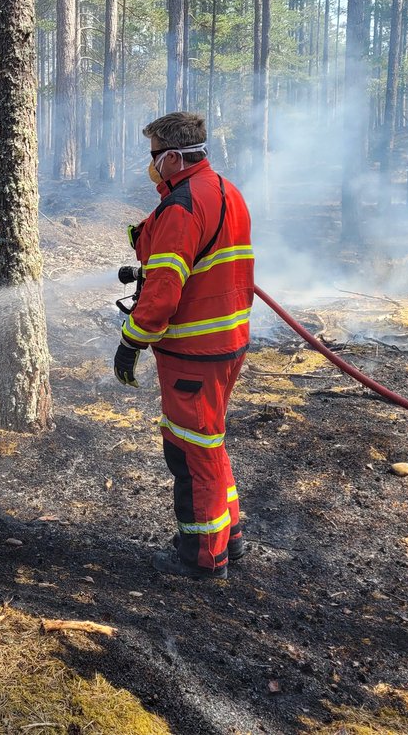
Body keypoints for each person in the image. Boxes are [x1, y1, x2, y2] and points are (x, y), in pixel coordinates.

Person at [114, 112, 255, 579]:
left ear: (173, 156)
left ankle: (201, 557)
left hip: (194, 353)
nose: (151, 164)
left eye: (154, 155)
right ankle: (228, 537)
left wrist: (131, 340)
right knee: (206, 442)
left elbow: (163, 291)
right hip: (225, 344)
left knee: (191, 453)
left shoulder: (183, 206)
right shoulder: (225, 191)